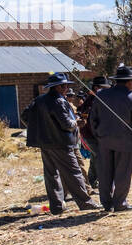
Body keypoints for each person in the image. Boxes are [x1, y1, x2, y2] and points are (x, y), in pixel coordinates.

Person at [27, 73, 101, 215]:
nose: (67, 88)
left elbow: (26, 116)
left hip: (45, 143)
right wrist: (78, 123)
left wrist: (42, 128)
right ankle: (85, 203)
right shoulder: (58, 101)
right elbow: (66, 124)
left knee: (51, 175)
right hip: (61, 143)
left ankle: (56, 206)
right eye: (64, 85)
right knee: (74, 173)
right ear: (58, 87)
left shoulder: (39, 100)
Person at [89, 64, 132, 212]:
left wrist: (98, 135)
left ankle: (107, 204)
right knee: (123, 173)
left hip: (103, 141)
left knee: (105, 172)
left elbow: (92, 119)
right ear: (128, 82)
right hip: (124, 142)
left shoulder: (101, 95)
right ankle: (120, 203)